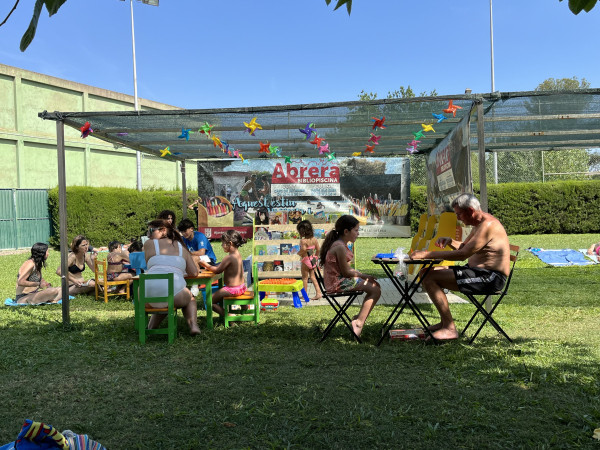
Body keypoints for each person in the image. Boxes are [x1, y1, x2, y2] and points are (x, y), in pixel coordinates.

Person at [410, 193, 510, 342]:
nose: (458, 218)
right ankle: (445, 323)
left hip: (489, 278)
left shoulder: (488, 225)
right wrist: (450, 241)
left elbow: (462, 254)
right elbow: (464, 247)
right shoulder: (478, 224)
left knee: (429, 277)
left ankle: (449, 329)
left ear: (470, 211)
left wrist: (426, 254)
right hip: (479, 273)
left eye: (459, 214)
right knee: (428, 273)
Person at [319, 215, 381, 338]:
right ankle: (358, 322)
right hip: (336, 284)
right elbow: (346, 273)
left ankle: (358, 318)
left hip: (338, 281)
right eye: (356, 230)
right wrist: (364, 276)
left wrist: (363, 276)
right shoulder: (340, 247)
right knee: (375, 289)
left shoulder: (340, 244)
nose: (358, 233)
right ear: (346, 231)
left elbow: (346, 270)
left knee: (375, 286)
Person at [143, 219, 201, 336]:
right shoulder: (182, 248)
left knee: (163, 296)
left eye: (151, 231)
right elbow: (194, 273)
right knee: (189, 297)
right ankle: (193, 325)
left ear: (163, 231)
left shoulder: (149, 244)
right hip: (173, 292)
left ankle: (151, 327)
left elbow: (151, 264)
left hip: (146, 293)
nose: (148, 235)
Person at [199, 230, 247, 318]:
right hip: (241, 287)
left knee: (209, 301)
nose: (222, 246)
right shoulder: (238, 255)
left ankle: (229, 316)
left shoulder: (229, 257)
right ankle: (244, 308)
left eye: (223, 243)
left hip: (232, 289)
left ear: (230, 243)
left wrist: (205, 264)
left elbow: (217, 270)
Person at [297, 220, 322, 301]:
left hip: (305, 260)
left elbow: (304, 249)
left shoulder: (303, 241)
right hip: (313, 260)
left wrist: (299, 253)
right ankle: (318, 293)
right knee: (313, 277)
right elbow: (318, 249)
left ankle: (304, 295)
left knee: (304, 278)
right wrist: (316, 257)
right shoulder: (314, 239)